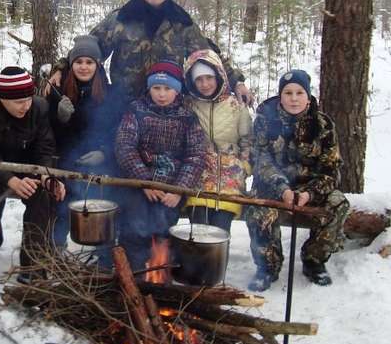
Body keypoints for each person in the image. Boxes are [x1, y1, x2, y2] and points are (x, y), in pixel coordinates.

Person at [47, 0, 251, 110]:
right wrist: (61, 68)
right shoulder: (122, 18)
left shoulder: (181, 22)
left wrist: (237, 82)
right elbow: (88, 49)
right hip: (124, 103)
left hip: (167, 104)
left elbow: (208, 56)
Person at [245, 70, 349, 291]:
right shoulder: (264, 120)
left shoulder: (323, 125)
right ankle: (267, 266)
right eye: (288, 92)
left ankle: (314, 260)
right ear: (280, 96)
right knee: (256, 208)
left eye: (299, 92)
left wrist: (310, 193)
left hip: (310, 188)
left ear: (308, 96)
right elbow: (261, 160)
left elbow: (332, 170)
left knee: (338, 203)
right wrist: (282, 188)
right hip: (273, 186)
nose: (293, 98)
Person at [0, 66, 66, 290]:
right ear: (3, 98)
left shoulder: (39, 107)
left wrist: (44, 175)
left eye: (28, 99)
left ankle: (33, 264)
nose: (26, 106)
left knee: (41, 194)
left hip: (25, 163)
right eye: (19, 102)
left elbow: (45, 148)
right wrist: (11, 180)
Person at [114, 60, 207, 272]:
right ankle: (134, 275)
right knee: (134, 225)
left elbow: (196, 156)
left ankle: (160, 275)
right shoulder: (136, 111)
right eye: (156, 88)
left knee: (164, 225)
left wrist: (178, 191)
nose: (162, 94)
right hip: (139, 183)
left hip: (171, 188)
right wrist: (144, 182)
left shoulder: (188, 118)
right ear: (149, 88)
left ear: (177, 90)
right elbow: (124, 146)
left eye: (168, 88)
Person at [46, 35, 119, 249]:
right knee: (62, 199)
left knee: (108, 197)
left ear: (97, 64)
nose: (84, 67)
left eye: (89, 62)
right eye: (78, 62)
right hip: (66, 158)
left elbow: (115, 130)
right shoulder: (57, 91)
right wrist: (60, 119)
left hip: (99, 160)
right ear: (71, 64)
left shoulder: (109, 92)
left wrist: (104, 152)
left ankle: (105, 253)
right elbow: (49, 135)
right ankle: (56, 247)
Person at [182, 49, 252, 234]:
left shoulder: (235, 105)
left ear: (219, 75)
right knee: (198, 230)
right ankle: (193, 263)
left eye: (209, 77)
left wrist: (243, 165)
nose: (205, 84)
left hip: (230, 179)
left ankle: (217, 263)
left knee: (219, 231)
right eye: (198, 79)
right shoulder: (189, 105)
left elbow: (248, 141)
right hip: (199, 176)